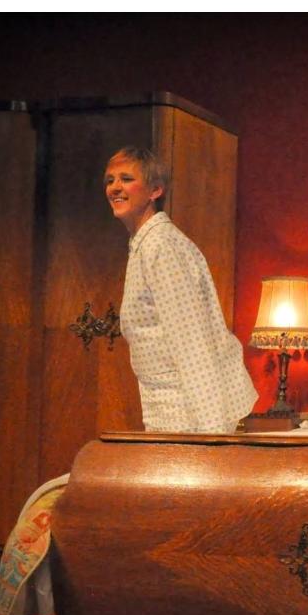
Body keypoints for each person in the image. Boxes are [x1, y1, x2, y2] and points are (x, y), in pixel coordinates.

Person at [104, 146, 257, 434]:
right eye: (110, 180)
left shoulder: (162, 246)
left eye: (126, 178)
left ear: (155, 190)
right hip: (168, 406)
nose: (115, 187)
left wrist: (212, 433)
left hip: (188, 411)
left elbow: (192, 341)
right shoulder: (144, 244)